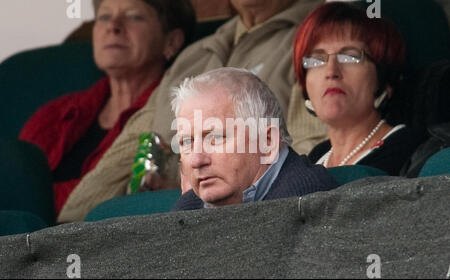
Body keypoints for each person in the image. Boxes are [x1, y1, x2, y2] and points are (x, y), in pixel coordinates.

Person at [58, 0, 326, 222]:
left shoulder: (317, 39)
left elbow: (312, 151)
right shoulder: (192, 55)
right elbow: (127, 148)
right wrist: (65, 226)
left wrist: (201, 188)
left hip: (252, 211)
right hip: (168, 216)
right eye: (187, 142)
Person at [20, 0, 196, 214]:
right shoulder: (55, 112)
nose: (113, 26)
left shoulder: (174, 113)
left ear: (171, 42)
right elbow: (15, 185)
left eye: (134, 17)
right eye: (104, 17)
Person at [170, 68, 338, 211]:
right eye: (186, 142)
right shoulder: (189, 207)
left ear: (268, 142)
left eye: (215, 138)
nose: (196, 160)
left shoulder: (306, 199)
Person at [293, 2, 425, 176]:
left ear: (384, 78)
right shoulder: (316, 157)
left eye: (350, 56)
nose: (331, 71)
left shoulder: (409, 151)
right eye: (317, 60)